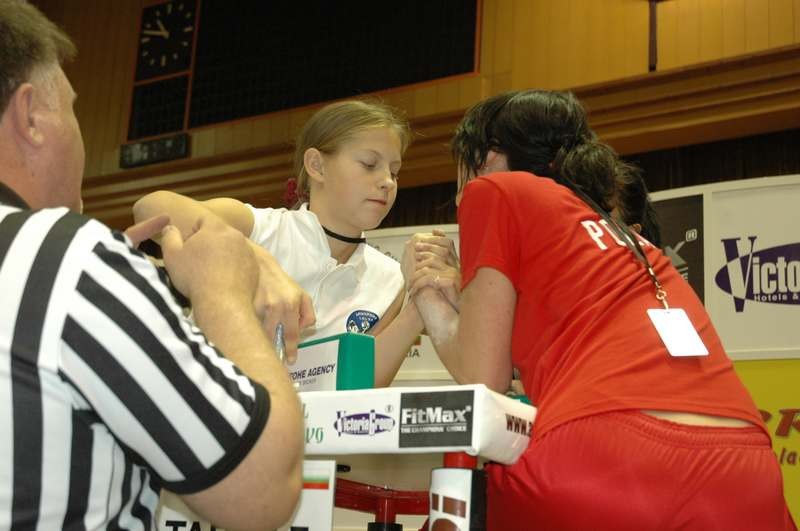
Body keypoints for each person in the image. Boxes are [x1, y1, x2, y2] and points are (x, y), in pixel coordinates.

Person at [405, 89, 796, 530]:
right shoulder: (625, 236)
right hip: (746, 468)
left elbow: (485, 378)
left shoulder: (494, 189)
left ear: (490, 157)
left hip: (612, 459)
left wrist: (423, 291)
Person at [0, 2, 302, 529]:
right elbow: (263, 490)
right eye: (71, 107)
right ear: (30, 117)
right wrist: (221, 293)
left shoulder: (53, 270)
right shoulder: (65, 258)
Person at [134, 100, 424, 386]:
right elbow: (151, 208)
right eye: (370, 164)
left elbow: (362, 385)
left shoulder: (390, 280)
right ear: (317, 165)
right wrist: (257, 259)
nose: (387, 181)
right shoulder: (257, 227)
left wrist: (419, 309)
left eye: (394, 171)